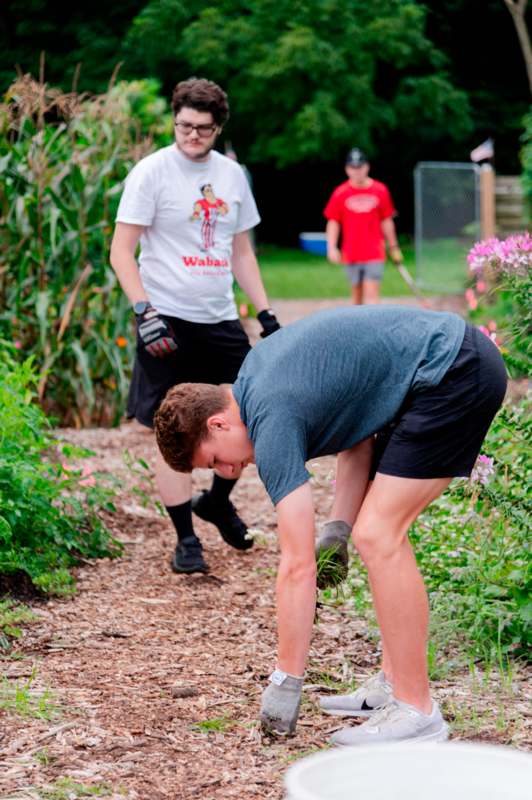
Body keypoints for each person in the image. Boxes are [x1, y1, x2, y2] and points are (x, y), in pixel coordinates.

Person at [154, 306, 507, 745]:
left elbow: (297, 566)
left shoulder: (270, 417)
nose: (227, 471)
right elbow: (357, 433)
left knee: (379, 534)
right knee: (378, 530)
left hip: (453, 371)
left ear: (218, 422)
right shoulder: (256, 382)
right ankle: (395, 683)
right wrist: (338, 528)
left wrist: (286, 682)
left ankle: (417, 713)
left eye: (214, 459)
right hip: (444, 365)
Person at [109, 77, 280, 576]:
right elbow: (122, 251)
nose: (191, 137)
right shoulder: (151, 173)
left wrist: (265, 314)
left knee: (250, 410)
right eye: (183, 126)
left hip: (220, 317)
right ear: (175, 121)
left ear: (218, 127)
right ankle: (186, 539)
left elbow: (242, 253)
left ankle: (217, 500)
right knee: (172, 429)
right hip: (165, 318)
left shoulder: (231, 176)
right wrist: (144, 312)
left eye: (202, 129)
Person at [324, 148, 403, 305]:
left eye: (360, 167)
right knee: (357, 297)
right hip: (351, 252)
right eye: (353, 167)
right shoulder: (340, 193)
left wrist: (394, 246)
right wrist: (331, 247)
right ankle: (358, 328)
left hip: (374, 252)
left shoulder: (380, 190)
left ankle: (374, 328)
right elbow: (333, 222)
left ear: (367, 167)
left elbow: (386, 221)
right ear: (347, 169)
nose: (357, 171)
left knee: (372, 295)